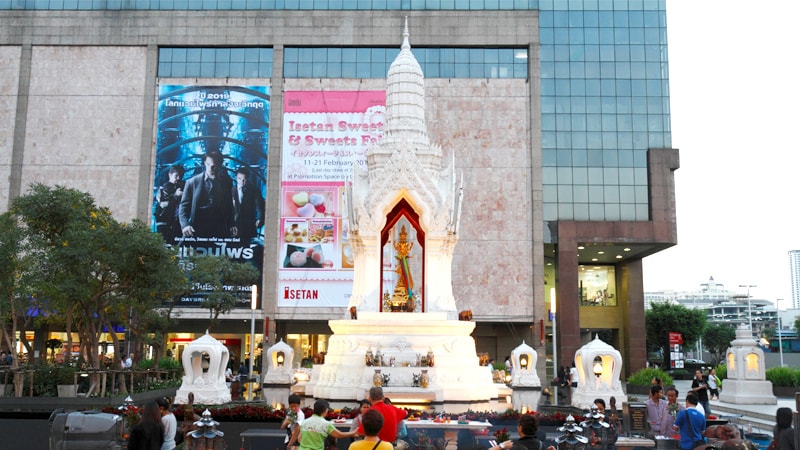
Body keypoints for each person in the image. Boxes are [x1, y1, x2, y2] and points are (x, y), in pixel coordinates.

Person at [179, 151, 237, 238]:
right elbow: (184, 206)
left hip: (219, 226)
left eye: (214, 165)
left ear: (219, 165)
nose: (210, 167)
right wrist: (185, 225)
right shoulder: (192, 182)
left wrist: (232, 224)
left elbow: (229, 205)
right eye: (208, 164)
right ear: (204, 163)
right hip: (198, 225)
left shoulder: (227, 181)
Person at [154, 164, 185, 243]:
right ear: (170, 175)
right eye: (176, 176)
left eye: (181, 176)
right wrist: (175, 196)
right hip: (164, 222)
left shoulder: (182, 186)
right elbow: (163, 204)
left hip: (176, 222)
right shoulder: (164, 188)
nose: (178, 178)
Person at [232, 167, 263, 245]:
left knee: (249, 246)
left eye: (244, 179)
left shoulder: (254, 190)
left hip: (249, 223)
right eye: (239, 179)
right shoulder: (231, 190)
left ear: (248, 178)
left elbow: (259, 205)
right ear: (236, 178)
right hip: (235, 224)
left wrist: (260, 218)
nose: (242, 181)